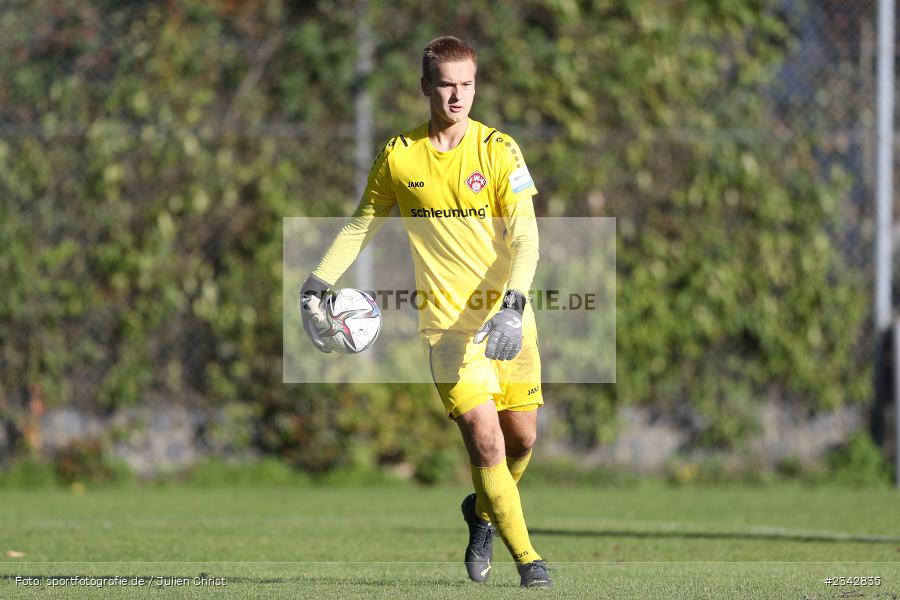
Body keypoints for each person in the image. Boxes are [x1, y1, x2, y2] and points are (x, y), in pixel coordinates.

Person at [300, 35, 551, 589]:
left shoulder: (499, 150)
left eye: (467, 84)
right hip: (446, 329)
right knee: (485, 439)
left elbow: (526, 238)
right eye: (446, 85)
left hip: (507, 320)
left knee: (522, 440)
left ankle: (481, 512)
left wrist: (513, 305)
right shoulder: (399, 156)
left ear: (476, 86)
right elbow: (361, 224)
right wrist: (315, 284)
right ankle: (530, 563)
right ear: (424, 87)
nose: (457, 96)